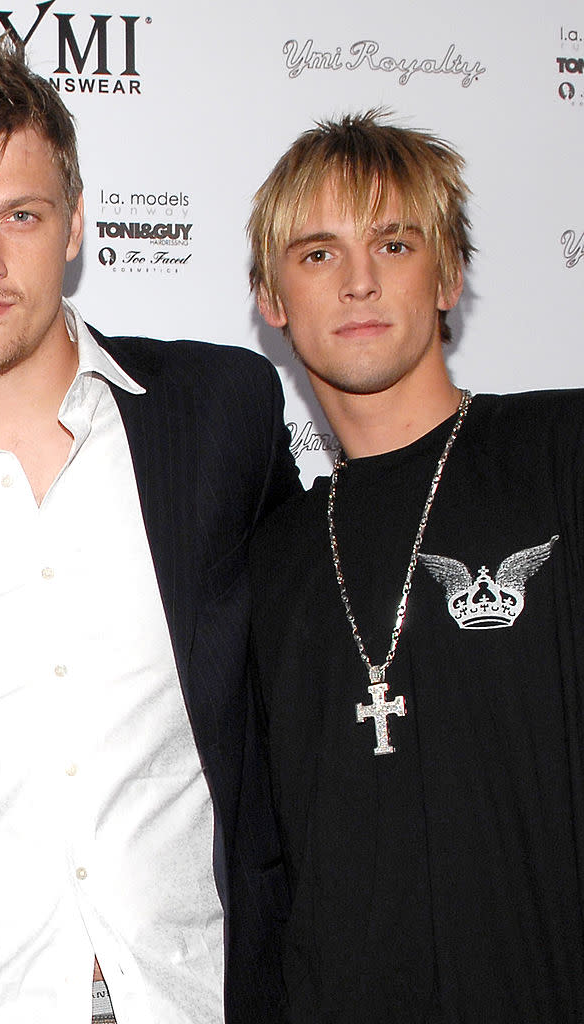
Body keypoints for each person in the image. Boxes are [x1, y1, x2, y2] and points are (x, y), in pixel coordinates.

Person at [0, 30, 298, 1024]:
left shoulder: (219, 413)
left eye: (18, 215)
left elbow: (310, 671)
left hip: (202, 990)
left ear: (74, 224)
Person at [248, 110, 584, 1022]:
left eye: (393, 244)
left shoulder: (560, 453)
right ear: (270, 297)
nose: (358, 282)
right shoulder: (270, 554)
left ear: (448, 274)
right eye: (318, 253)